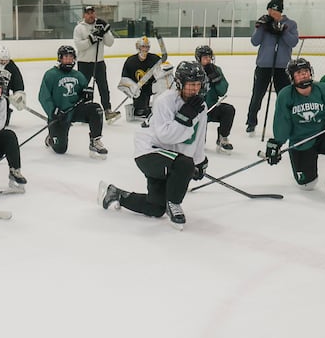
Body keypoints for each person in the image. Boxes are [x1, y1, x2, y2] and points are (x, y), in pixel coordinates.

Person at [100, 61, 210, 230]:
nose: (195, 89)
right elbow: (165, 136)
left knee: (156, 207)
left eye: (198, 84)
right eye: (191, 85)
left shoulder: (200, 106)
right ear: (180, 83)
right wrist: (184, 118)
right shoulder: (164, 101)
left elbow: (197, 137)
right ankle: (174, 204)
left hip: (168, 156)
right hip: (148, 152)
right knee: (184, 164)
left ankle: (116, 194)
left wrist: (199, 161)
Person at [265, 58, 325, 200]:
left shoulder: (324, 89)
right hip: (301, 142)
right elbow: (282, 121)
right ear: (292, 77)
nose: (304, 75)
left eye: (306, 72)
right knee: (307, 185)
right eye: (299, 73)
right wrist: (276, 143)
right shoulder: (286, 95)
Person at [38, 45, 108, 158]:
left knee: (95, 109)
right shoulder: (51, 75)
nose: (69, 60)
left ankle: (95, 141)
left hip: (74, 111)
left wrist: (87, 93)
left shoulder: (78, 75)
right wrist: (53, 111)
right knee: (61, 149)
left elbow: (83, 92)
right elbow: (43, 97)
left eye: (71, 57)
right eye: (66, 57)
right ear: (60, 58)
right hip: (59, 115)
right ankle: (51, 139)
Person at [246, 0, 301, 135]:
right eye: (270, 10)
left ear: (280, 11)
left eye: (274, 11)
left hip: (282, 67)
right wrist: (261, 27)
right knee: (257, 95)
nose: (272, 13)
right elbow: (254, 41)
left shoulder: (291, 24)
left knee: (284, 96)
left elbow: (293, 42)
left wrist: (283, 32)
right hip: (264, 65)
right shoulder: (265, 22)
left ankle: (287, 122)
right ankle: (251, 122)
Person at [73, 5, 118, 120]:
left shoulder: (100, 25)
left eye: (92, 12)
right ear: (84, 15)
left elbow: (110, 42)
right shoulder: (79, 28)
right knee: (82, 88)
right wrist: (92, 39)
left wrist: (106, 30)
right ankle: (77, 111)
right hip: (84, 63)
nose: (91, 15)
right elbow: (79, 46)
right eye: (88, 13)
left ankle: (107, 110)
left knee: (103, 87)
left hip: (99, 62)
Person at [195, 45, 236, 153]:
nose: (208, 59)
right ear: (198, 58)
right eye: (205, 57)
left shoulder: (216, 69)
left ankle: (223, 137)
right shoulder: (193, 70)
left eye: (209, 57)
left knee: (228, 110)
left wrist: (217, 80)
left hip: (211, 107)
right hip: (196, 110)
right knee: (199, 143)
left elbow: (222, 91)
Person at [118, 37, 163, 121]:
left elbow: (164, 72)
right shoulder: (130, 61)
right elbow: (125, 78)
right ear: (138, 47)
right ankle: (140, 108)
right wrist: (131, 88)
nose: (145, 49)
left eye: (147, 47)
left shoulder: (155, 59)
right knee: (140, 110)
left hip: (152, 86)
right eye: (143, 46)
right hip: (139, 89)